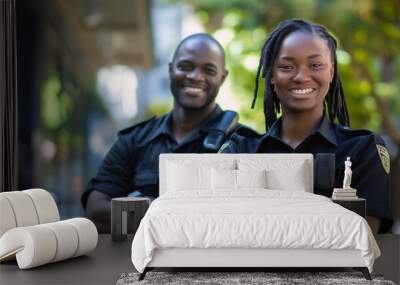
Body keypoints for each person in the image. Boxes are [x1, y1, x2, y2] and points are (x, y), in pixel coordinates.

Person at [222, 19, 392, 233]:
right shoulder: (241, 150)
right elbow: (226, 229)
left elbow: (361, 239)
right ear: (271, 75)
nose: (301, 76)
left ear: (331, 72)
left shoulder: (362, 150)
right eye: (286, 66)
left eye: (315, 65)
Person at [82, 33, 259, 233]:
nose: (195, 76)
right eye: (185, 66)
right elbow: (96, 210)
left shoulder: (245, 144)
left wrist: (141, 208)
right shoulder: (135, 140)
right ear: (170, 69)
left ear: (223, 77)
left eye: (208, 70)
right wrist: (172, 214)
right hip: (139, 263)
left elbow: (243, 221)